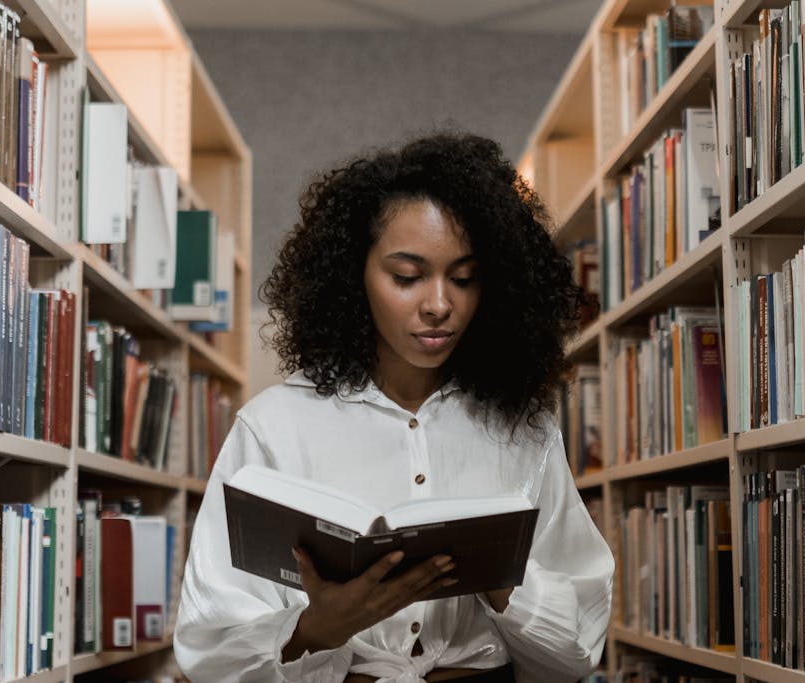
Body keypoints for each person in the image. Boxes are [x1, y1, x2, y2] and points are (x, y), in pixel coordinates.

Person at [174, 132, 615, 683]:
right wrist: (318, 629)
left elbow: (576, 652)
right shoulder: (273, 426)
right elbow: (210, 648)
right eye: (406, 277)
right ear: (352, 276)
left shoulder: (524, 430)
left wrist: (500, 577)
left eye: (464, 278)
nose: (439, 305)